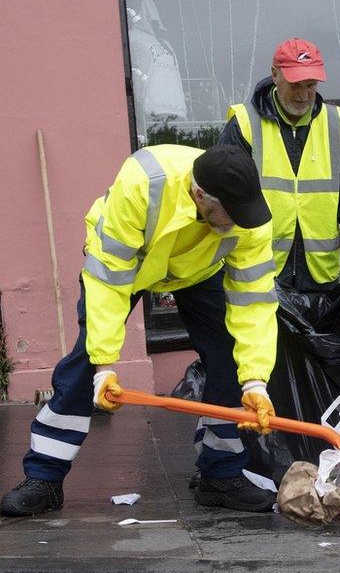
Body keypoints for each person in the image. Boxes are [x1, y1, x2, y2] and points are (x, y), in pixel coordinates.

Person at [1, 145, 280, 516]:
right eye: (229, 215)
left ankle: (220, 475)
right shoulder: (142, 183)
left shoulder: (248, 215)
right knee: (85, 362)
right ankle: (44, 478)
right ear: (199, 195)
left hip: (196, 270)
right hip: (127, 265)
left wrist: (255, 381)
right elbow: (110, 283)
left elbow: (254, 302)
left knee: (230, 357)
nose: (238, 223)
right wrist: (104, 368)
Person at [218, 37, 340, 291]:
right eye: (296, 84)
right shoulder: (244, 124)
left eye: (311, 84)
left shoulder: (336, 125)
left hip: (320, 280)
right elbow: (220, 199)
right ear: (275, 74)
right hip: (258, 277)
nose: (304, 94)